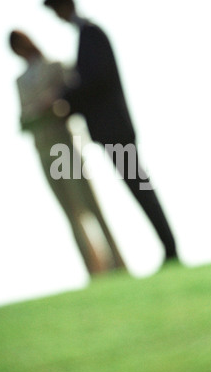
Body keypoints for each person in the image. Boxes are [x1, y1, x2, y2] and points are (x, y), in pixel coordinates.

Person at [44, 0, 178, 263]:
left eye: (56, 10)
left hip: (115, 130)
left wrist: (64, 97)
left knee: (141, 188)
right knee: (140, 188)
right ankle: (169, 247)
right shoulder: (87, 34)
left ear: (65, 4)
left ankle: (170, 248)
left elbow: (97, 81)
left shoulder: (91, 33)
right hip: (111, 131)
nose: (57, 17)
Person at [9, 30, 126, 275]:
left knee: (89, 206)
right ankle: (95, 270)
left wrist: (50, 107)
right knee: (70, 213)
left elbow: (72, 99)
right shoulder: (19, 81)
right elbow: (23, 120)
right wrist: (38, 113)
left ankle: (117, 262)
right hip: (42, 150)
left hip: (64, 146)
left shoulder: (55, 67)